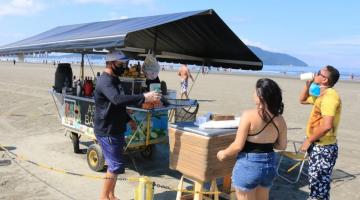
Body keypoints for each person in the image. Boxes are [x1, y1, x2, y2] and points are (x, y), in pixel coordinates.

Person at [94, 51, 160, 200]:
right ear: (111, 63)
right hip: (107, 130)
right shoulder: (105, 81)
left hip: (116, 127)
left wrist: (128, 119)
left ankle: (111, 195)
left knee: (115, 166)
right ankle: (104, 197)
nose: (124, 66)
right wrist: (144, 96)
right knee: (115, 165)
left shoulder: (115, 79)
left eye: (125, 64)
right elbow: (116, 99)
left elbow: (117, 106)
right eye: (121, 64)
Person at [217, 78, 287, 200]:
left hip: (249, 165)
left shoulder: (248, 115)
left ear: (261, 96)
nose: (253, 94)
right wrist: (267, 141)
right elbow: (281, 146)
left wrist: (223, 153)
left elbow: (238, 145)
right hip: (269, 165)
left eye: (255, 91)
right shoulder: (280, 119)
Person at [299, 65, 341, 200]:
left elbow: (327, 125)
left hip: (323, 148)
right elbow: (302, 100)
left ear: (325, 80)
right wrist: (308, 84)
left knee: (318, 187)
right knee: (316, 183)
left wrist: (309, 140)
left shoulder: (330, 97)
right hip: (319, 145)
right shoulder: (321, 94)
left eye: (318, 73)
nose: (315, 74)